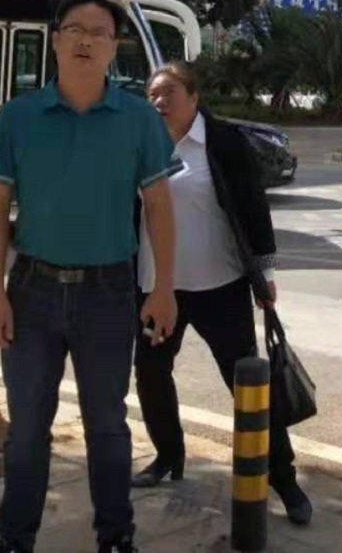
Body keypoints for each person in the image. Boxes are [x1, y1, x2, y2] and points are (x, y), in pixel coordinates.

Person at [0, 0, 179, 553]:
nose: (86, 40)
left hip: (108, 293)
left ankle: (115, 536)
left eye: (99, 32)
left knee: (108, 425)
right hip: (31, 292)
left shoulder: (138, 118)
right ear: (55, 40)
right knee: (25, 429)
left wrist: (163, 288)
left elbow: (159, 208)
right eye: (75, 29)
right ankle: (15, 540)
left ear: (114, 47)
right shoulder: (18, 117)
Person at [132, 62, 313, 525]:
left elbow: (253, 206)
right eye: (153, 94)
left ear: (194, 96)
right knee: (151, 374)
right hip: (157, 290)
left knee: (248, 385)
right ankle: (168, 455)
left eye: (169, 91)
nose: (159, 101)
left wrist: (264, 274)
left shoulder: (224, 141)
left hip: (220, 286)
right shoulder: (142, 143)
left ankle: (284, 478)